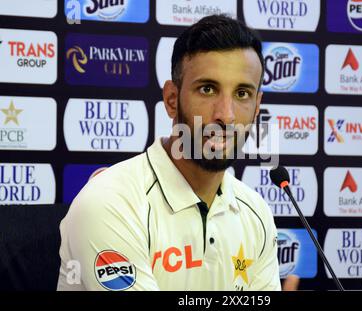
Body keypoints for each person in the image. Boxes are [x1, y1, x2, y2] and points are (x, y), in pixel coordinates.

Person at [57, 14, 281, 291]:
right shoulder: (110, 202)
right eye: (208, 89)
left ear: (258, 107)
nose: (226, 115)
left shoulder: (255, 212)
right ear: (171, 100)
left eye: (242, 94)